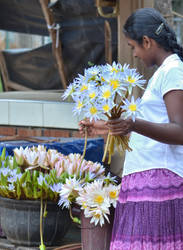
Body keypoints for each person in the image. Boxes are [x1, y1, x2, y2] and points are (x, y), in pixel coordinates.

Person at [79, 7, 183, 250]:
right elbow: (151, 125)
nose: (134, 54)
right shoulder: (165, 73)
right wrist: (102, 126)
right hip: (148, 180)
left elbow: (179, 132)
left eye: (133, 46)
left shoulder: (173, 71)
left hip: (158, 181)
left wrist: (133, 123)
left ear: (147, 41)